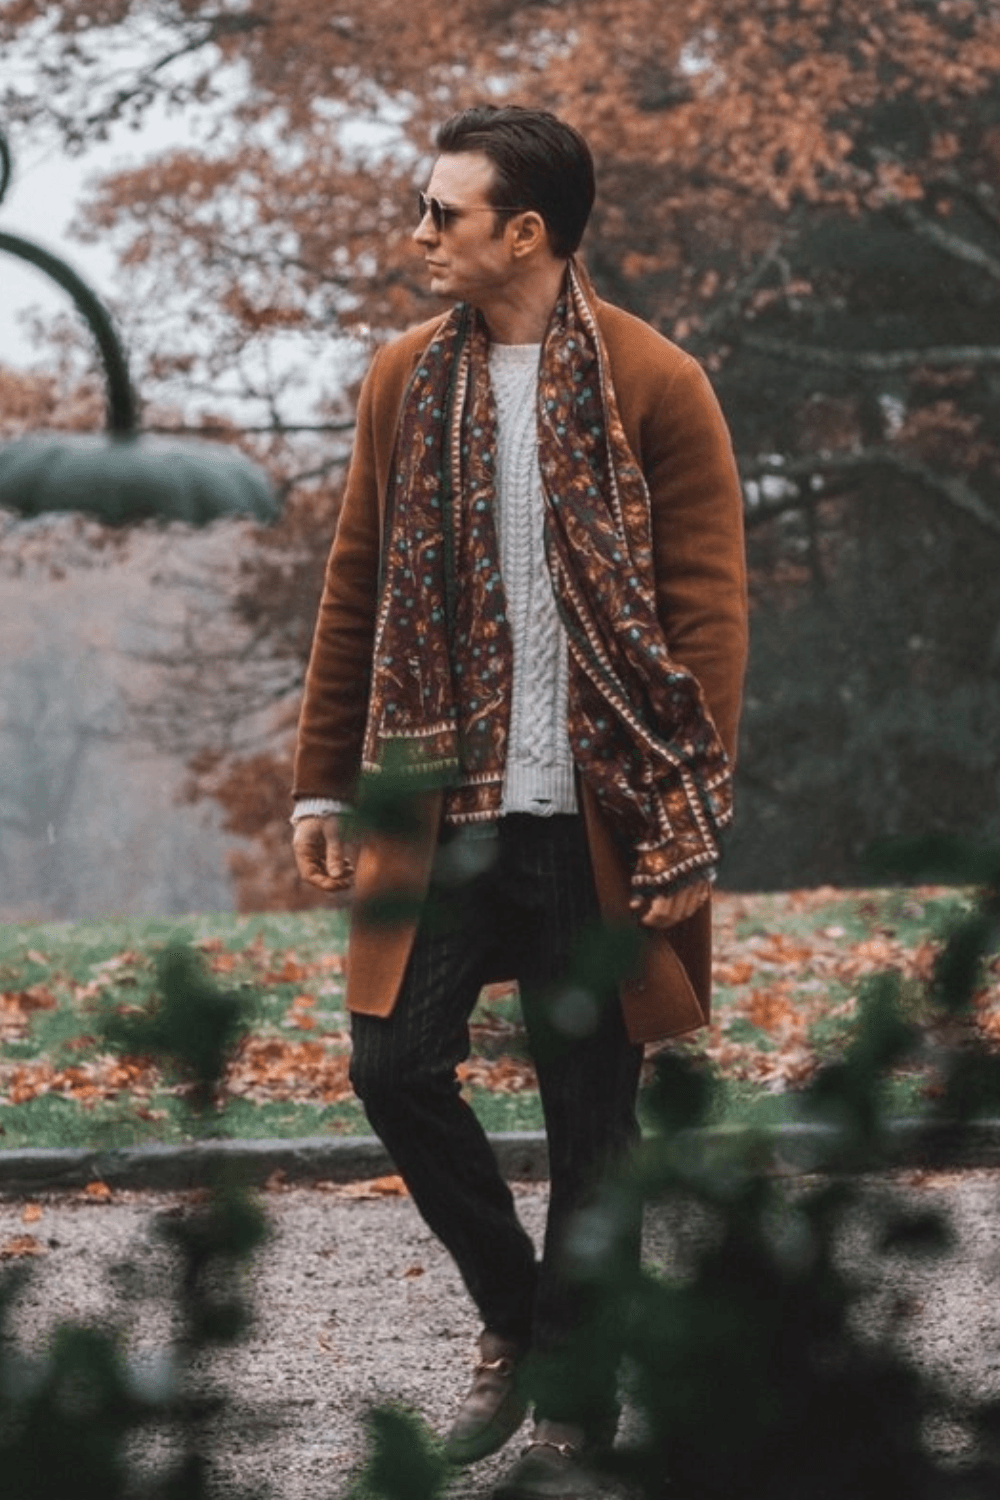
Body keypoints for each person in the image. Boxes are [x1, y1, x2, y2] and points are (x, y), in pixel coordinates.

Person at [291, 105, 747, 1499]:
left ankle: (578, 1410)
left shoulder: (659, 386)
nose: (419, 234)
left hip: (602, 823)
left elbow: (709, 618)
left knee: (593, 1121)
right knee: (393, 1067)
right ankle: (519, 1314)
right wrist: (322, 777)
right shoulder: (396, 382)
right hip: (442, 806)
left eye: (444, 213)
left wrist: (682, 818)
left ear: (525, 233)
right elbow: (355, 584)